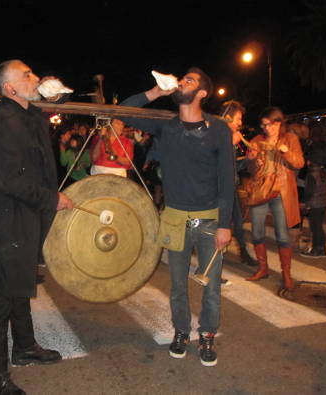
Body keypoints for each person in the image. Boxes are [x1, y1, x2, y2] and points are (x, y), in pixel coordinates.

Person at [120, 67, 234, 367]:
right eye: (182, 79)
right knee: (178, 286)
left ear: (202, 93)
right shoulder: (166, 127)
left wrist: (225, 224)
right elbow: (122, 111)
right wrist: (157, 92)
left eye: (190, 80)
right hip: (174, 218)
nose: (182, 81)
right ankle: (181, 332)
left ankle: (207, 334)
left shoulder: (219, 129)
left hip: (210, 220)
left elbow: (227, 179)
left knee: (211, 287)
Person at [0, 60, 73, 395]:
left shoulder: (25, 114)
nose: (33, 78)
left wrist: (54, 92)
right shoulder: (6, 122)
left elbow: (46, 113)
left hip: (23, 217)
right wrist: (51, 198)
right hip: (8, 222)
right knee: (3, 298)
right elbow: (7, 181)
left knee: (20, 284)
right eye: (27, 76)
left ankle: (24, 346)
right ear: (9, 88)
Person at [245, 107, 304, 289]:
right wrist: (252, 159)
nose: (266, 129)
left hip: (281, 191)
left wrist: (285, 151)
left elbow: (299, 163)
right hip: (261, 191)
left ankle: (286, 274)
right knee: (256, 232)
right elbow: (250, 170)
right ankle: (263, 268)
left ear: (279, 122)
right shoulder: (257, 140)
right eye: (263, 125)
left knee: (282, 234)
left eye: (270, 125)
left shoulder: (290, 139)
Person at [220, 100, 257, 267]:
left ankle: (243, 252)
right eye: (238, 119)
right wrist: (229, 144)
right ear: (227, 117)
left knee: (238, 223)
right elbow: (215, 162)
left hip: (231, 188)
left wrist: (246, 160)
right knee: (218, 225)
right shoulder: (217, 135)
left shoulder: (231, 137)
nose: (240, 123)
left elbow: (232, 165)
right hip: (217, 190)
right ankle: (210, 258)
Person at [300, 122, 326, 258]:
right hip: (323, 203)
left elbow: (309, 191)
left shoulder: (311, 174)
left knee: (315, 228)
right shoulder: (323, 172)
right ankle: (322, 249)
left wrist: (306, 204)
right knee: (320, 228)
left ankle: (317, 250)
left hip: (315, 204)